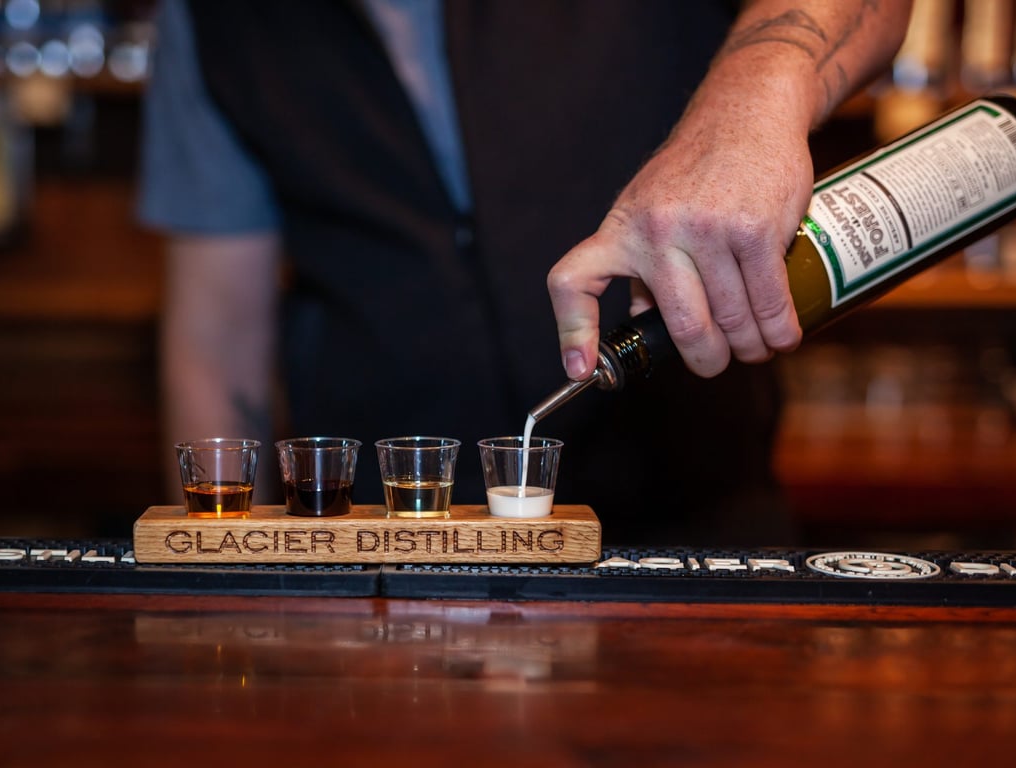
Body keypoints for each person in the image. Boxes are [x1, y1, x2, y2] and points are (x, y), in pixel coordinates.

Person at [137, 0, 912, 545]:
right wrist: (232, 592)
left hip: (691, 534)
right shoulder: (212, 19)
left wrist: (755, 90)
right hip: (379, 568)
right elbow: (216, 349)